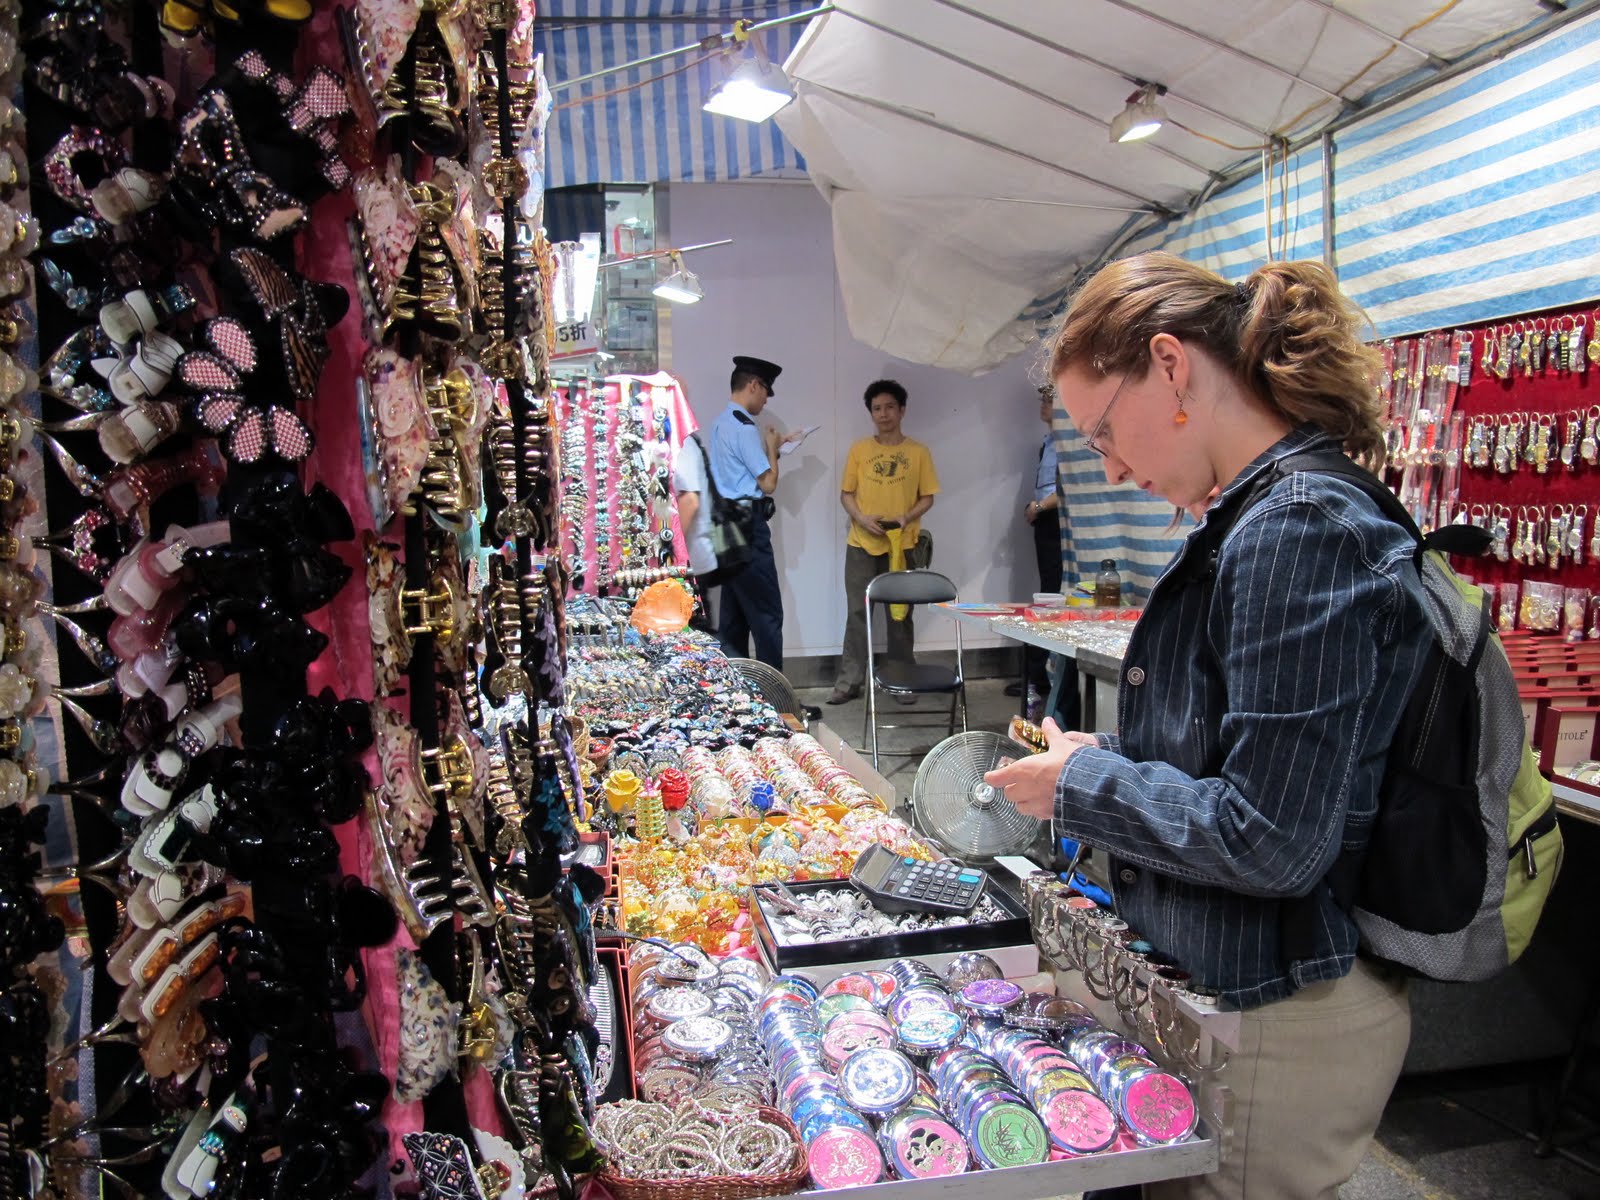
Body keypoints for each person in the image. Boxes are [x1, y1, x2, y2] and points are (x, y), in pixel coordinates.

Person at [985, 252, 1430, 1200]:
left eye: (1105, 430)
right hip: (1243, 994)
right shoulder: (1261, 518)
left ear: (1172, 366)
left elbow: (1270, 838)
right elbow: (1251, 761)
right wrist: (1101, 755)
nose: (1108, 466)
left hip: (1278, 1014)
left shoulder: (1296, 528)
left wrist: (1081, 786)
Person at [828, 380, 940, 706]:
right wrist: (861, 519)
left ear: (902, 410)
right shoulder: (859, 450)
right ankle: (849, 682)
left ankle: (903, 680)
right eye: (877, 408)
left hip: (902, 546)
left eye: (890, 407)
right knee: (857, 613)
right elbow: (846, 494)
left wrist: (907, 517)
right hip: (861, 543)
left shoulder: (918, 452)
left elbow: (927, 497)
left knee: (900, 616)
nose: (883, 414)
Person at [708, 356, 811, 700]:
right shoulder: (745, 427)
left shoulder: (723, 423)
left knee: (733, 619)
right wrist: (770, 445)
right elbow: (767, 483)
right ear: (753, 384)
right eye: (765, 391)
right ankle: (776, 700)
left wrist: (775, 447)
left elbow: (739, 467)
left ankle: (736, 698)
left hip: (724, 525)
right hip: (748, 527)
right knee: (767, 615)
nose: (766, 399)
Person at [1018, 385, 1080, 727]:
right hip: (1044, 521)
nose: (1043, 405)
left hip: (1058, 521)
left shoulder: (1073, 443)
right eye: (1041, 398)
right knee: (1047, 589)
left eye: (1049, 398)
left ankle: (1047, 681)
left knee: (1057, 589)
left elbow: (1068, 485)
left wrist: (1040, 506)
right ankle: (1039, 679)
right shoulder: (1048, 441)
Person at [671, 431, 718, 634]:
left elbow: (690, 499)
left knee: (694, 634)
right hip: (691, 560)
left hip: (690, 561)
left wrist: (672, 548)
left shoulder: (683, 444)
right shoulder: (685, 444)